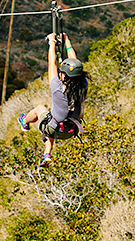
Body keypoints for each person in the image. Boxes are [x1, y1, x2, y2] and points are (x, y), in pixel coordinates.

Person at [18, 33, 90, 168]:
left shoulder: (58, 87)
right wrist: (67, 41)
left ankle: (24, 122)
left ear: (63, 75)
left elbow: (52, 63)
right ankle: (46, 154)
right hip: (71, 130)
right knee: (53, 120)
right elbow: (75, 64)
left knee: (41, 110)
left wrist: (52, 42)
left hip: (53, 128)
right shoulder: (83, 85)